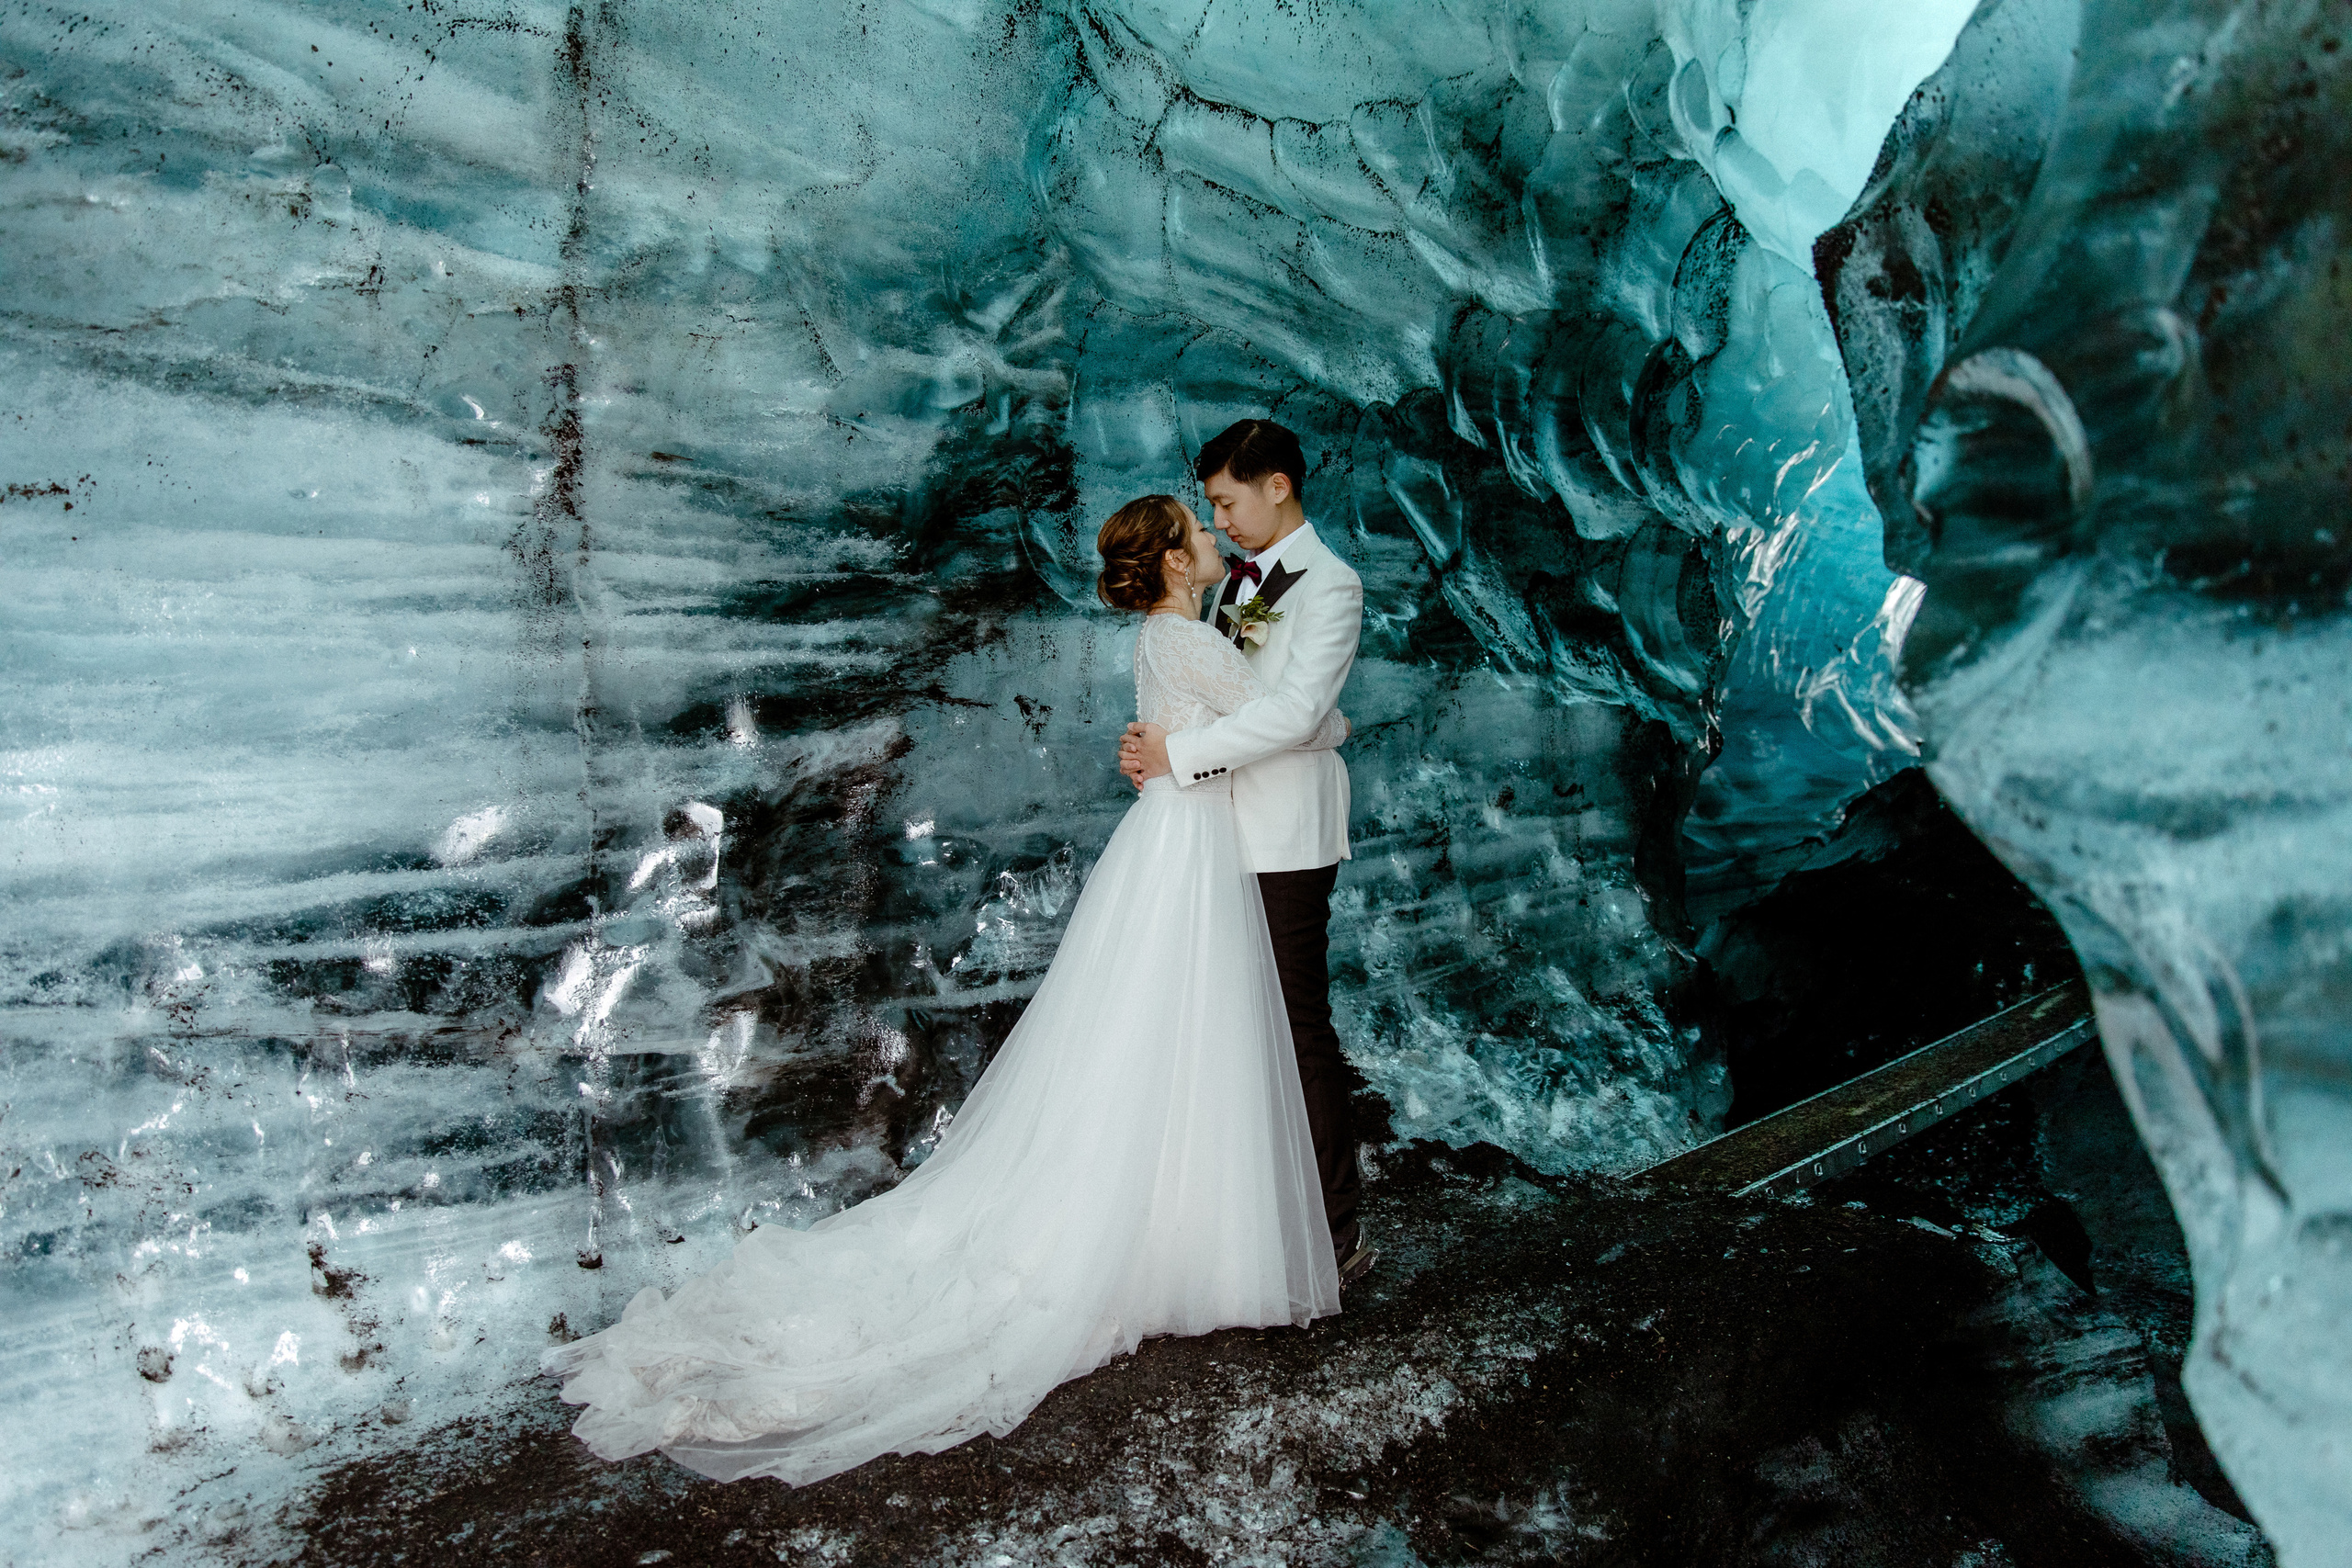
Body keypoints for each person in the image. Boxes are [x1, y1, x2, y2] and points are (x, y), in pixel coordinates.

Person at [543, 494, 1349, 1486]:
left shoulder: (1167, 634)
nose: (1217, 538)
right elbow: (1316, 721)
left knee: (1155, 1030)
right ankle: (1177, 1232)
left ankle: (1167, 1219)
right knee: (1187, 1027)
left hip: (1173, 834)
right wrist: (1291, 712)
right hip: (1190, 842)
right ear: (1176, 560)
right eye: (1201, 528)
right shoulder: (1187, 640)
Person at [1119, 419, 1372, 1289]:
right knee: (1235, 1028)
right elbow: (1247, 697)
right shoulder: (1241, 589)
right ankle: (1255, 1212)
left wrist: (1178, 753)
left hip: (1284, 835)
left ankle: (1336, 1228)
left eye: (1227, 501)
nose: (1220, 521)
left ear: (1277, 486)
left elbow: (1291, 712)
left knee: (1299, 1026)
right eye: (1211, 511)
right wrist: (1159, 745)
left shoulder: (1331, 585)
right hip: (1219, 829)